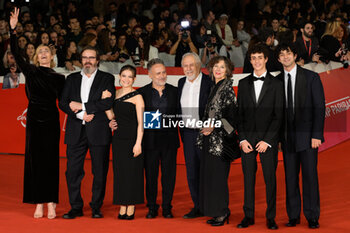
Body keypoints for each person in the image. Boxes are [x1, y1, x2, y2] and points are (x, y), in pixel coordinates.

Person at [9, 7, 65, 219]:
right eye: (40, 51)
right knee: (34, 161)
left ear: (51, 57)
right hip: (33, 119)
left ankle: (51, 202)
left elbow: (65, 101)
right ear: (36, 56)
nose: (43, 54)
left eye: (46, 52)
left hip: (51, 119)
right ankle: (38, 203)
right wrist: (13, 31)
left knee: (50, 161)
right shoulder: (30, 72)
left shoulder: (60, 78)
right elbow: (15, 53)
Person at [59, 46, 115, 219]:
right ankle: (76, 206)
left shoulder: (107, 78)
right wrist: (80, 114)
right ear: (81, 60)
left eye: (91, 57)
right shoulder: (72, 78)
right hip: (76, 131)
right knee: (72, 171)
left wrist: (82, 107)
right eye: (85, 58)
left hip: (99, 131)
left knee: (99, 171)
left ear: (97, 60)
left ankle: (96, 206)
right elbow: (63, 103)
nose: (88, 61)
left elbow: (107, 103)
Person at [276, 43, 325, 229]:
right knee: (290, 177)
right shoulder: (277, 80)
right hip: (287, 138)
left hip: (308, 137)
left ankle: (312, 215)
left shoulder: (311, 77)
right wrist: (279, 138)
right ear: (278, 59)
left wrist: (317, 135)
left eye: (288, 53)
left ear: (295, 55)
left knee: (310, 176)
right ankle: (293, 215)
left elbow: (319, 107)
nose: (285, 57)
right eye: (281, 55)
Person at [237, 44, 284, 230]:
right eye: (253, 58)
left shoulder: (276, 84)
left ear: (266, 59)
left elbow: (278, 115)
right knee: (248, 179)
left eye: (259, 57)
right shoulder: (242, 83)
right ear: (250, 60)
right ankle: (248, 215)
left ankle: (270, 217)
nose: (256, 61)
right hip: (247, 140)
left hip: (267, 140)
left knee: (270, 179)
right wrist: (242, 139)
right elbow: (239, 114)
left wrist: (268, 140)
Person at [196, 56, 238, 226]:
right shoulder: (215, 87)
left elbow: (232, 121)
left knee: (219, 178)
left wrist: (213, 126)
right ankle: (215, 211)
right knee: (211, 177)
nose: (218, 69)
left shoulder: (227, 89)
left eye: (222, 67)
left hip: (220, 143)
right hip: (209, 140)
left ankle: (222, 212)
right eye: (215, 66)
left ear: (228, 71)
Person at [137, 58, 179, 219]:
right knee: (151, 175)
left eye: (164, 72)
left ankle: (167, 206)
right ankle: (152, 206)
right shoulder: (142, 92)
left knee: (169, 175)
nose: (162, 76)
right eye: (158, 73)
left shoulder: (175, 91)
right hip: (150, 141)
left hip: (169, 140)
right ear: (149, 75)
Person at [103, 65, 145, 220]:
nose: (126, 79)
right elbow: (112, 116)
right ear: (119, 76)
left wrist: (138, 143)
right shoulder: (115, 93)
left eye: (129, 76)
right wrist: (109, 118)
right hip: (118, 139)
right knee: (120, 173)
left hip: (133, 139)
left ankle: (131, 205)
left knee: (132, 172)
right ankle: (122, 204)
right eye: (124, 76)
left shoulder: (137, 96)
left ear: (134, 79)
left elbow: (141, 123)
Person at [178, 53, 213, 219]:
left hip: (205, 134)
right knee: (192, 172)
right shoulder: (180, 83)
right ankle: (198, 206)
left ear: (199, 65)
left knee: (208, 171)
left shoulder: (209, 82)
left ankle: (211, 206)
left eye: (191, 65)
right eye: (185, 65)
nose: (188, 68)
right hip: (187, 134)